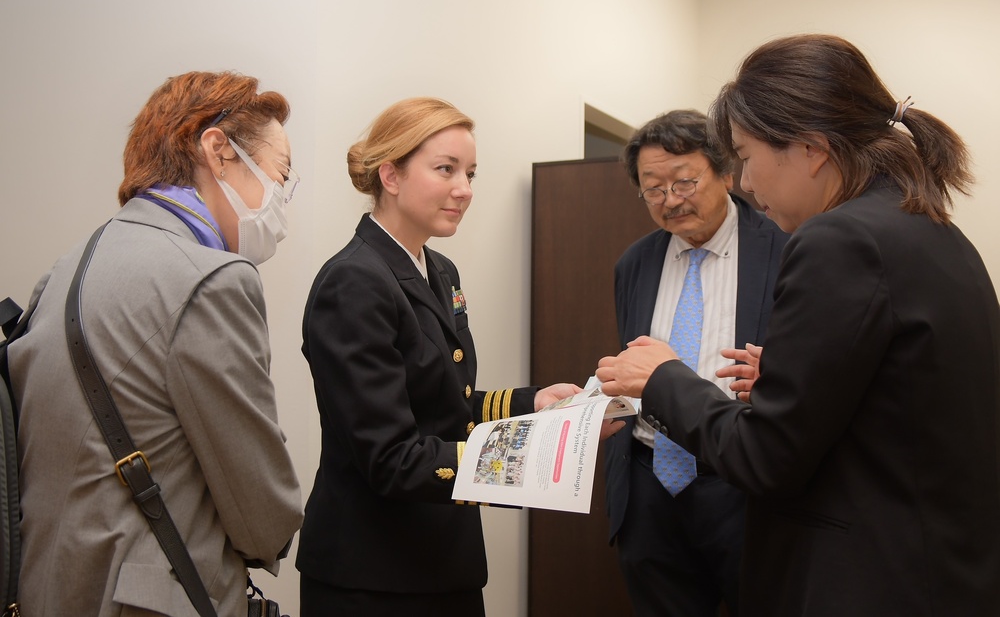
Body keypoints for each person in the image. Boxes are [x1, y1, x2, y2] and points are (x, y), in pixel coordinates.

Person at [596, 33, 1000, 616]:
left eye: (747, 156)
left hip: (868, 577)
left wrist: (663, 377)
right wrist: (792, 381)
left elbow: (767, 457)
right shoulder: (933, 229)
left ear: (810, 149)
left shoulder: (838, 240)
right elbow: (903, 401)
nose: (750, 184)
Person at [8, 71, 304, 615]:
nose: (282, 199)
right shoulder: (210, 278)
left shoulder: (66, 270)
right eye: (280, 175)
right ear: (218, 151)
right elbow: (265, 515)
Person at [296, 97, 580, 617]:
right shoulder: (355, 282)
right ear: (391, 175)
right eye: (445, 169)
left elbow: (449, 404)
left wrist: (536, 405)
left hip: (444, 560)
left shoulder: (439, 270)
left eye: (470, 173)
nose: (464, 190)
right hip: (374, 575)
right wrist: (527, 460)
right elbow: (391, 459)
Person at [603, 110, 788, 616]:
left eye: (684, 181)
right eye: (653, 189)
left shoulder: (787, 250)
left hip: (744, 487)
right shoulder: (634, 263)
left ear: (726, 173)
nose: (671, 200)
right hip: (648, 486)